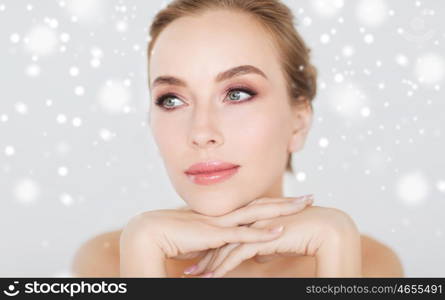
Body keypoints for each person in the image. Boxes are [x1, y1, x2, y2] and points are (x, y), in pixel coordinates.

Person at [71, 0, 404, 278]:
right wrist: (143, 260)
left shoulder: (367, 265)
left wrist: (336, 252)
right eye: (171, 99)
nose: (201, 133)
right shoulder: (110, 263)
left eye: (238, 94)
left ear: (298, 122)